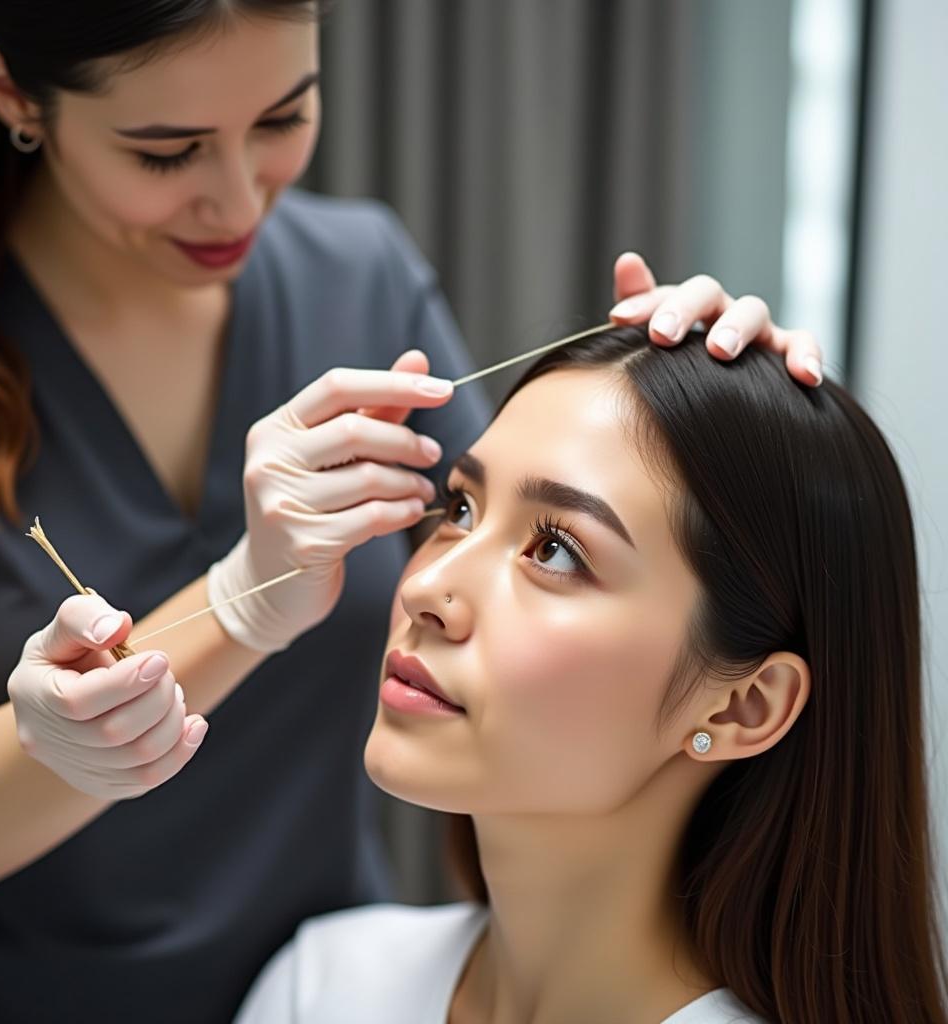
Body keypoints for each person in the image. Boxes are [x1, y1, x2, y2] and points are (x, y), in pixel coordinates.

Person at [0, 2, 824, 1021]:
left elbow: (562, 539)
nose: (237, 202)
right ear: (11, 92)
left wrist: (711, 405)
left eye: (281, 119)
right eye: (167, 152)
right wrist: (237, 605)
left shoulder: (361, 280)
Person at [233, 324, 948, 1024]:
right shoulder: (323, 987)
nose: (427, 588)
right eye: (460, 508)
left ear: (744, 707)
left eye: (555, 551)